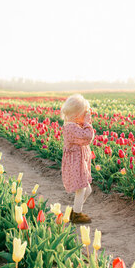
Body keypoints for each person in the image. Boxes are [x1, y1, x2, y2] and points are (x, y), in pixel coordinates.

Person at [60, 94, 94, 223]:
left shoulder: (74, 125)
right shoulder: (71, 127)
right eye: (84, 113)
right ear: (76, 114)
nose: (86, 115)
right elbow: (88, 137)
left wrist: (84, 122)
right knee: (82, 188)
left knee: (87, 189)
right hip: (75, 164)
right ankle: (77, 214)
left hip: (80, 163)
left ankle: (75, 210)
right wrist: (87, 123)